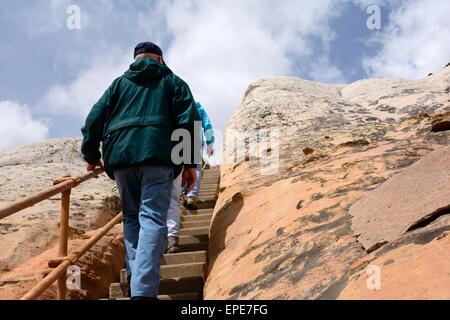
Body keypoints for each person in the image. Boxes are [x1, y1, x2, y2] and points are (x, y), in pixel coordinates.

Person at [80, 41, 201, 300]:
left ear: (135, 59)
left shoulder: (118, 84)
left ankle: (137, 278)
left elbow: (93, 119)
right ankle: (143, 292)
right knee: (152, 219)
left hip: (122, 158)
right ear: (160, 58)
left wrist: (91, 155)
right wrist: (189, 163)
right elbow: (188, 122)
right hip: (157, 156)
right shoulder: (173, 81)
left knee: (132, 219)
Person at [165, 102, 214, 253]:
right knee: (195, 167)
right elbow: (206, 123)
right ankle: (191, 195)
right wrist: (210, 143)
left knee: (175, 183)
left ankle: (182, 193)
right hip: (195, 141)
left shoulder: (172, 104)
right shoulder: (198, 106)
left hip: (174, 143)